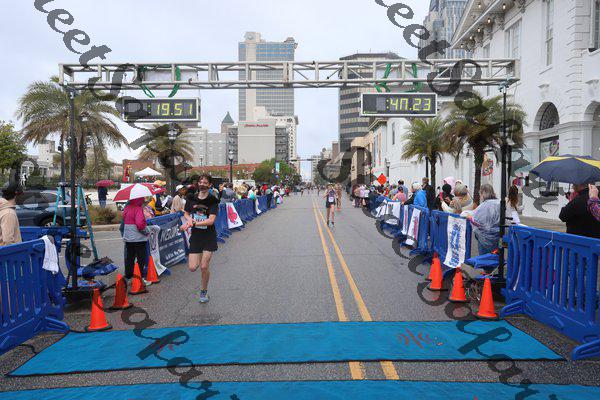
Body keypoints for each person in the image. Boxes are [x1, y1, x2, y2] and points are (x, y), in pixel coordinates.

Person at [181, 174, 220, 303]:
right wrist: (189, 220)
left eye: (205, 182)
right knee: (193, 267)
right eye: (200, 182)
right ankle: (202, 267)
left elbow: (211, 220)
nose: (202, 184)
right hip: (196, 236)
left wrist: (194, 223)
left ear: (210, 185)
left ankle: (204, 291)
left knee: (204, 266)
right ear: (197, 183)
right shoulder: (191, 198)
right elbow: (186, 213)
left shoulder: (213, 200)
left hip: (209, 235)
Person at [121, 197, 150, 283]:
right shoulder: (138, 209)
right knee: (141, 259)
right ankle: (139, 277)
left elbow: (124, 219)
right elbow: (140, 224)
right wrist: (146, 231)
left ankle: (128, 276)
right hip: (138, 238)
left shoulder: (127, 207)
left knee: (129, 258)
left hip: (128, 237)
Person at [468, 184, 500, 255]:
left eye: (480, 194)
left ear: (483, 193)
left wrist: (470, 217)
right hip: (497, 236)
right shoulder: (499, 203)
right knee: (496, 256)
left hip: (485, 238)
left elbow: (477, 221)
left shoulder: (484, 206)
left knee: (484, 257)